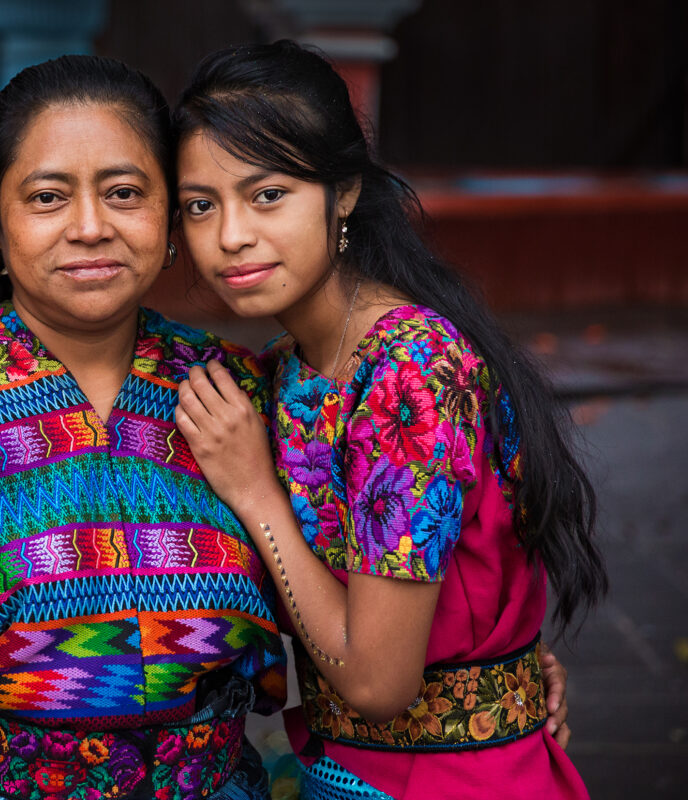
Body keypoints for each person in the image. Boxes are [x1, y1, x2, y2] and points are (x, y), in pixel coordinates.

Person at [0, 55, 290, 800]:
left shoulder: (238, 394)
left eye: (125, 193)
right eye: (47, 196)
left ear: (169, 214)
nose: (91, 227)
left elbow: (363, 599)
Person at [172, 40, 607, 799]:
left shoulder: (409, 372)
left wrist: (255, 490)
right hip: (353, 772)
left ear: (342, 192)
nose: (229, 236)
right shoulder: (287, 365)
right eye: (201, 206)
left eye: (267, 194)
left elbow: (376, 682)